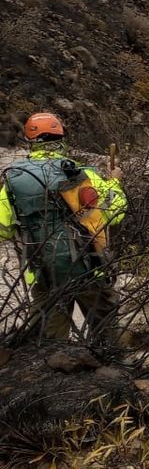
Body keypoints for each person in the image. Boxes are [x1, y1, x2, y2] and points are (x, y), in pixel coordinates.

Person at [0, 112, 126, 343]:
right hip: (89, 266)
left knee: (49, 344)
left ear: (30, 141)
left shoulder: (14, 179)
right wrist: (115, 182)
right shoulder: (82, 174)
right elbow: (115, 211)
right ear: (61, 138)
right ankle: (109, 369)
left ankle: (55, 373)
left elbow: (3, 229)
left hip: (43, 272)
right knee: (108, 335)